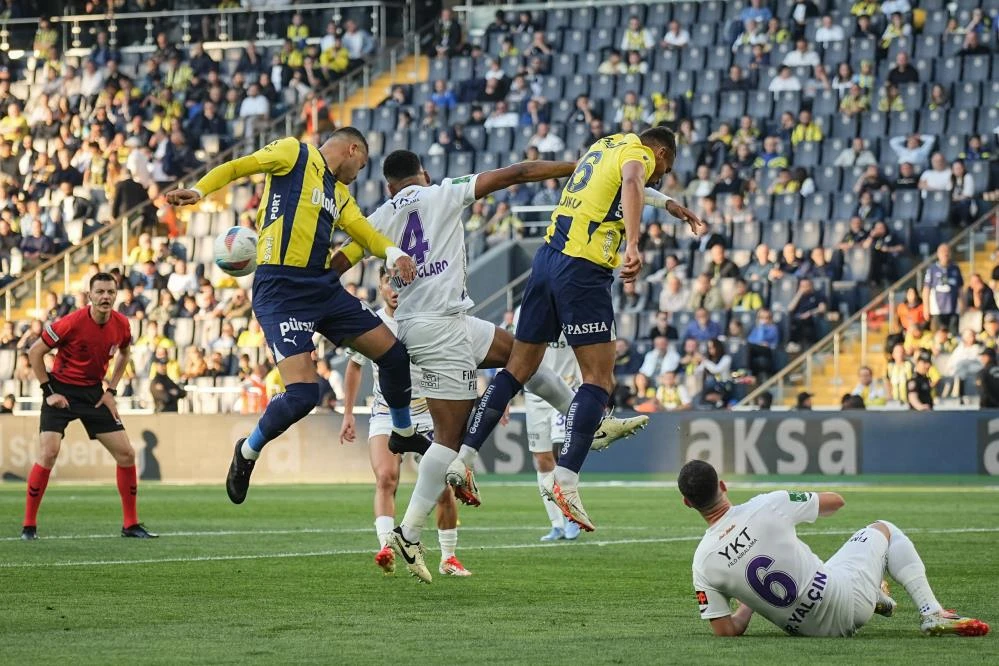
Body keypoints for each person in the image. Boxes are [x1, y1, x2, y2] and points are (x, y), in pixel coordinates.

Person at [332, 150, 652, 581]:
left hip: (449, 321)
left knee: (525, 358)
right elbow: (516, 173)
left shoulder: (379, 216)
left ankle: (588, 421)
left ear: (390, 186)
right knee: (449, 440)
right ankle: (407, 534)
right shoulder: (443, 192)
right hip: (436, 330)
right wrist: (577, 169)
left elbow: (340, 260)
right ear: (423, 174)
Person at [448, 127, 704, 537]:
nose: (661, 175)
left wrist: (671, 205)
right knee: (599, 380)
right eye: (665, 167)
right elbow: (636, 180)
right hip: (582, 268)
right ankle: (566, 481)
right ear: (659, 150)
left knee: (518, 368)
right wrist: (633, 244)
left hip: (546, 259)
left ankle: (463, 459)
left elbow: (629, 183)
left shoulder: (607, 145)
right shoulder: (639, 155)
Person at [165, 129, 422, 505]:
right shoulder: (293, 153)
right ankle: (247, 452)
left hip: (321, 288)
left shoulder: (339, 195)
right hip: (280, 289)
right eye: (361, 164)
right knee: (303, 395)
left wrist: (394, 253)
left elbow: (365, 233)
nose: (358, 173)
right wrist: (201, 191)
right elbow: (239, 166)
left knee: (394, 355)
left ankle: (402, 431)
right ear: (352, 149)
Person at [678, 459, 989, 638]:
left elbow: (727, 631)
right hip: (846, 600)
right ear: (723, 485)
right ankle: (932, 612)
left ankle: (879, 597)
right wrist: (798, 500)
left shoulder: (702, 564)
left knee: (814, 562)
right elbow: (836, 502)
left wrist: (749, 602)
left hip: (810, 632)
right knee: (884, 529)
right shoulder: (768, 504)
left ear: (687, 503)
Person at [340, 268, 471, 577]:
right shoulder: (371, 324)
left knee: (442, 489)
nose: (396, 288)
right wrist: (348, 413)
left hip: (428, 413)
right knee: (386, 477)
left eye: (401, 282)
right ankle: (387, 547)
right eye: (390, 282)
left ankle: (448, 558)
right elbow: (354, 367)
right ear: (381, 286)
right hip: (386, 413)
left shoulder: (426, 317)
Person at [22, 273, 156, 540]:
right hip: (60, 390)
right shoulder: (70, 323)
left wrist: (111, 391)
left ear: (116, 295)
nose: (105, 297)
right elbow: (34, 352)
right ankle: (29, 526)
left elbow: (125, 352)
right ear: (90, 295)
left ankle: (130, 524)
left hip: (94, 393)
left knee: (126, 454)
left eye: (110, 292)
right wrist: (48, 392)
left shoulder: (121, 324)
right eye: (100, 292)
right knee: (48, 453)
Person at [523, 329, 584, 542]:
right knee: (542, 460)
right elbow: (515, 353)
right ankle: (556, 524)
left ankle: (572, 516)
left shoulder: (570, 309)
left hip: (566, 390)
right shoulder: (524, 313)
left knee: (561, 453)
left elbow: (586, 350)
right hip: (534, 393)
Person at [922, 243, 963, 335]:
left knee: (953, 335)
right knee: (939, 334)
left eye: (947, 251)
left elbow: (960, 288)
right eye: (942, 252)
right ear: (938, 254)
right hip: (937, 309)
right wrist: (926, 308)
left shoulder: (955, 268)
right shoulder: (932, 269)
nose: (945, 254)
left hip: (953, 308)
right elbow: (926, 289)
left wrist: (962, 305)